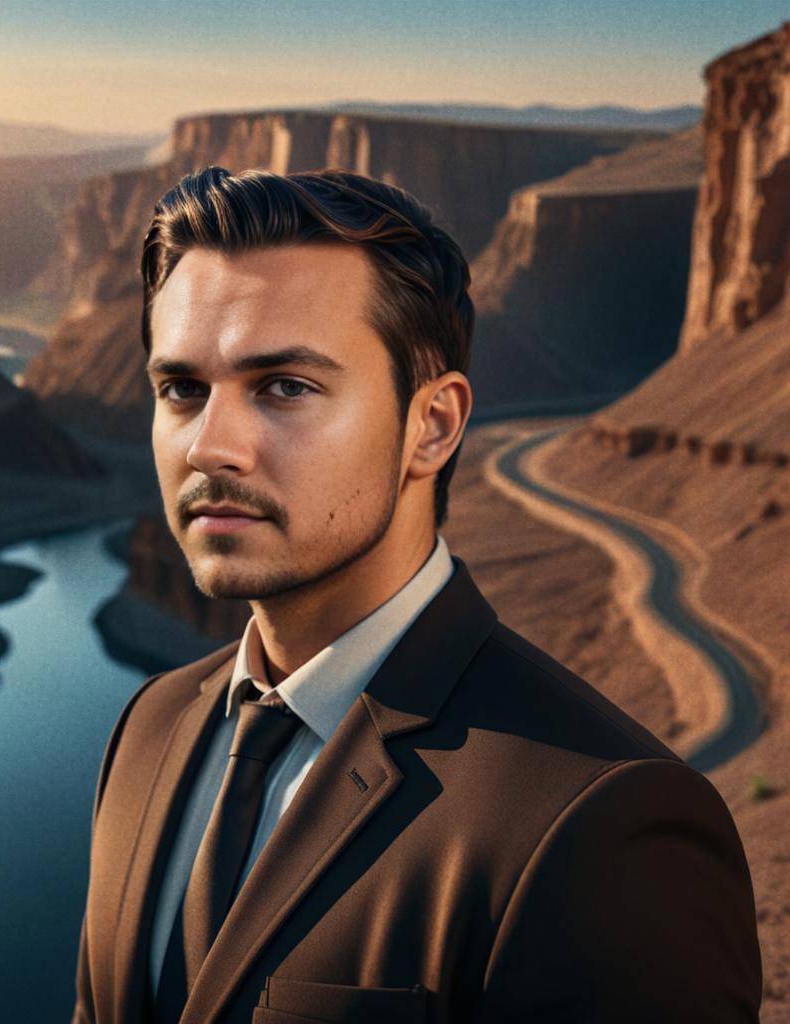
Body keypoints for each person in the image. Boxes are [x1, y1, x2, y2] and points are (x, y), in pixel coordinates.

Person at [72, 165, 762, 1024]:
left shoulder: (606, 826)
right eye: (182, 389)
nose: (212, 446)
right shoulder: (150, 728)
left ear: (431, 425)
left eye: (285, 387)